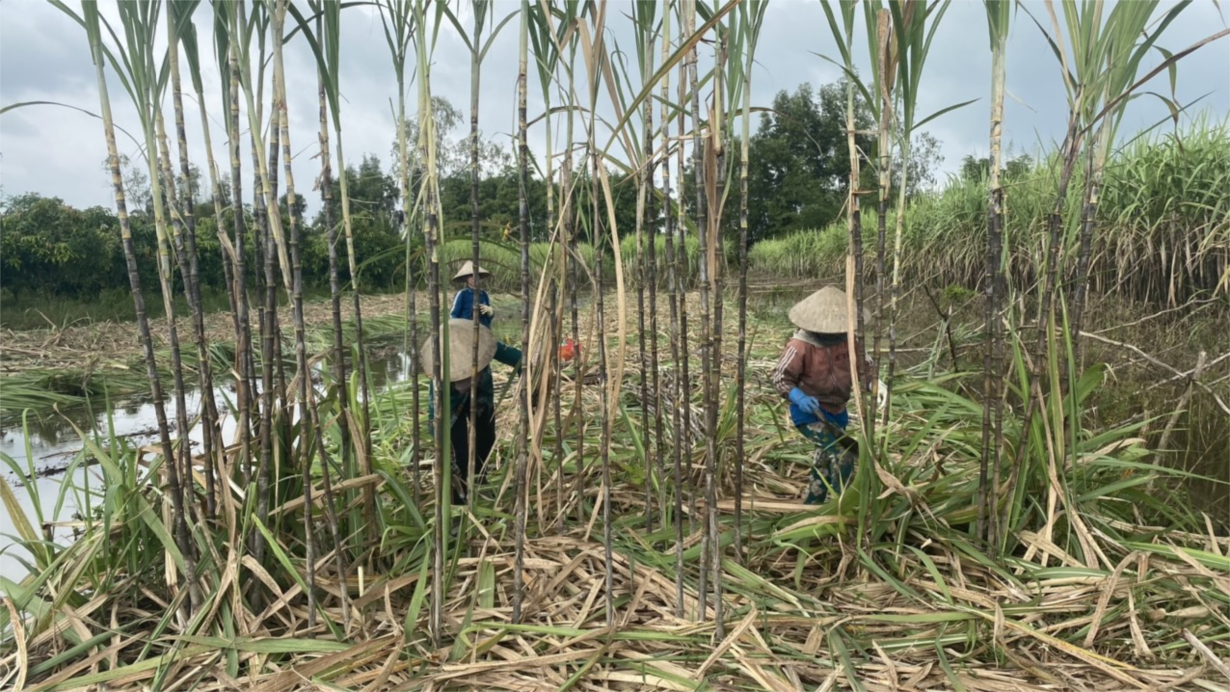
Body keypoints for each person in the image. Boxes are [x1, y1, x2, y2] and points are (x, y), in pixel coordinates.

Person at [771, 285, 872, 505]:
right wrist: (799, 397)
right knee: (843, 455)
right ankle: (840, 505)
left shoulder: (849, 341)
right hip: (809, 414)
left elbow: (864, 367)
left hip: (837, 412)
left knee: (825, 458)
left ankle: (813, 501)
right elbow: (780, 378)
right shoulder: (800, 345)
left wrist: (875, 384)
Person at [422, 318, 522, 506]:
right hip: (451, 410)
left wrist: (531, 389)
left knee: (486, 439)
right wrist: (440, 441)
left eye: (468, 378)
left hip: (481, 399)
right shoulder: (440, 380)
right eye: (458, 381)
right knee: (457, 452)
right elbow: (434, 421)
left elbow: (519, 359)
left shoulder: (482, 346)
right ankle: (459, 498)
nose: (463, 384)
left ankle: (480, 476)